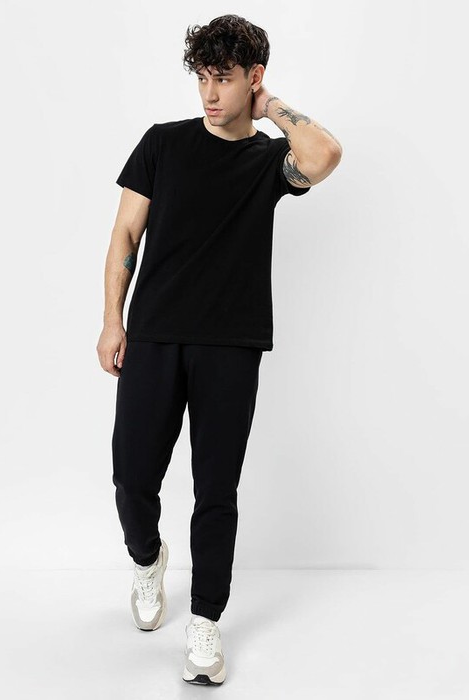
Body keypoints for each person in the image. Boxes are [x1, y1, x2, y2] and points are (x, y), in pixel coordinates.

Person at [96, 13, 342, 686]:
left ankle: (205, 620)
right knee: (131, 477)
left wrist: (272, 107)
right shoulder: (162, 143)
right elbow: (125, 234)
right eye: (202, 78)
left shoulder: (267, 161)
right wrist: (112, 320)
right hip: (153, 334)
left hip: (231, 343)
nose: (209, 93)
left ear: (253, 78)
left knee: (215, 489)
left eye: (225, 79)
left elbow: (324, 154)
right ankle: (147, 559)